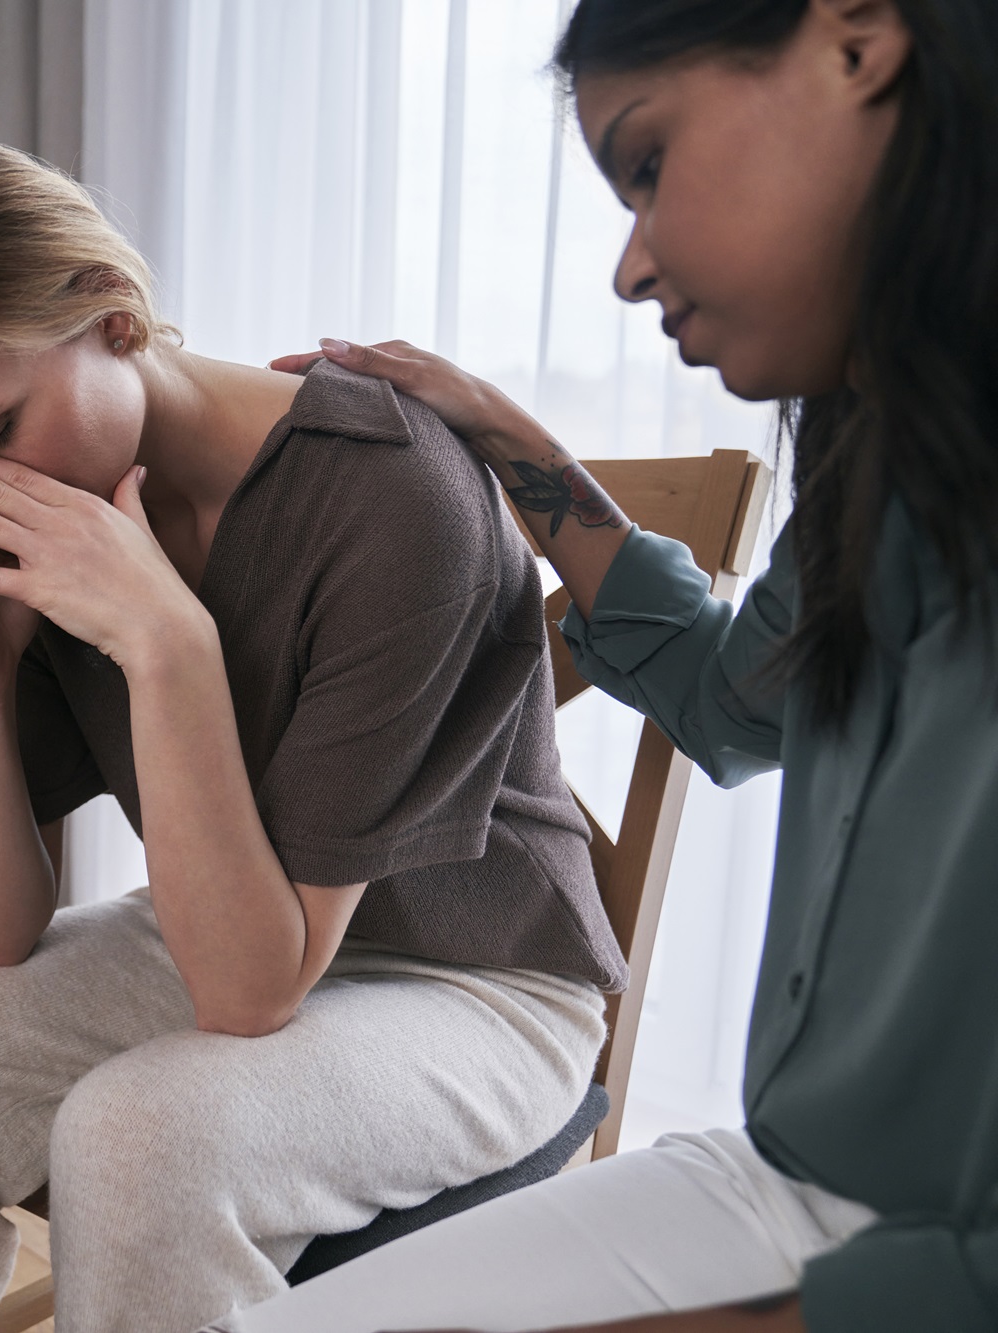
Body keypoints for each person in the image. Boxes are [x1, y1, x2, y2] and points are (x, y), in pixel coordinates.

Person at [0, 123, 627, 1333]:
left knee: (141, 1139)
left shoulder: (390, 493)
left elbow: (248, 992)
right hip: (234, 930)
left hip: (476, 983)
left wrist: (164, 642)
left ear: (113, 313)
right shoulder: (59, 509)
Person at [219, 1, 997, 1330]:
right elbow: (731, 701)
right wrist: (503, 431)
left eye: (649, 164)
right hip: (788, 1180)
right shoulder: (887, 463)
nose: (630, 269)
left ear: (857, 42)